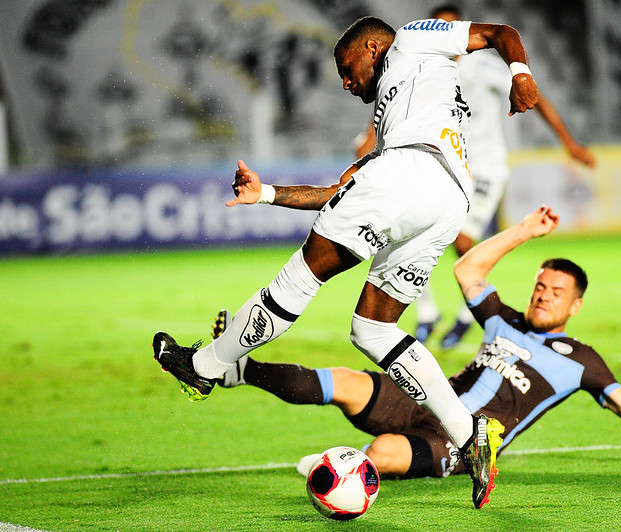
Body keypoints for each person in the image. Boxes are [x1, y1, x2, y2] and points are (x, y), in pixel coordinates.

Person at [152, 15, 540, 509]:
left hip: (413, 172)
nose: (344, 80)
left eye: (347, 65)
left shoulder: (411, 39)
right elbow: (341, 193)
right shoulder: (395, 119)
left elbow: (497, 33)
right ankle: (470, 436)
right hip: (446, 197)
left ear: (374, 48)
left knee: (302, 274)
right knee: (373, 330)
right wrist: (266, 193)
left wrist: (521, 73)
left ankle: (204, 366)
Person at [214, 206, 621, 482]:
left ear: (575, 306)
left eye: (556, 292)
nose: (543, 296)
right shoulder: (503, 320)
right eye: (540, 285)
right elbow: (467, 269)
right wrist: (523, 232)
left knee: (384, 454)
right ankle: (240, 370)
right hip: (426, 395)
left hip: (467, 445)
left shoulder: (581, 361)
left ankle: (343, 472)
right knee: (344, 382)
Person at [356, 4, 596, 350]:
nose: (445, 36)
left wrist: (568, 141)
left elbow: (537, 98)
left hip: (485, 166)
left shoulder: (483, 66)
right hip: (445, 163)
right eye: (437, 28)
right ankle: (427, 314)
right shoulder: (423, 66)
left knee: (463, 242)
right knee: (405, 229)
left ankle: (469, 316)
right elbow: (396, 99)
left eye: (451, 28)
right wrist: (370, 133)